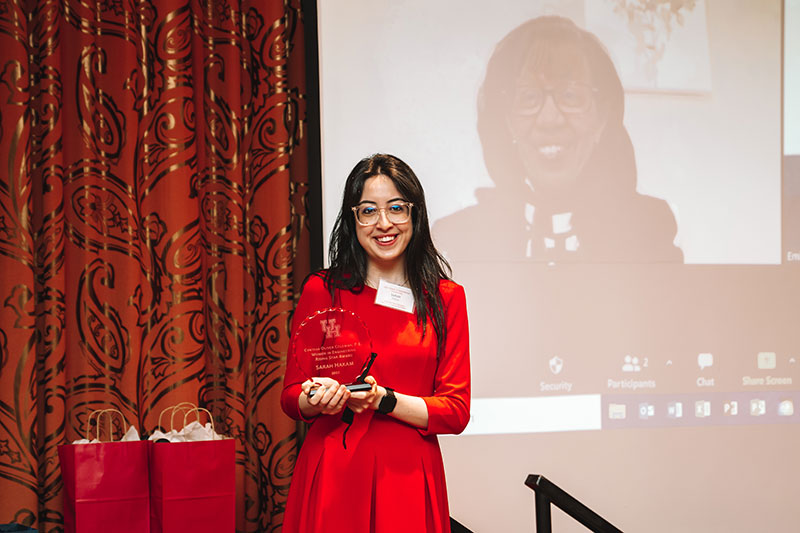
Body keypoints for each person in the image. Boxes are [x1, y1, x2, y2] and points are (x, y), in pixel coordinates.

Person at [280, 153, 471, 532]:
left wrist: (385, 399)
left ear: (415, 213)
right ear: (353, 219)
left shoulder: (446, 297)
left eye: (396, 208)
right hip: (335, 468)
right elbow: (292, 396)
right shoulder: (323, 289)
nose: (384, 224)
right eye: (368, 210)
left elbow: (455, 411)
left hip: (409, 476)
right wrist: (316, 398)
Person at [434, 16, 683, 263]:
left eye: (570, 95)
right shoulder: (455, 241)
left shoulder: (648, 231)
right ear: (507, 121)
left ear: (602, 117)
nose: (549, 119)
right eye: (529, 97)